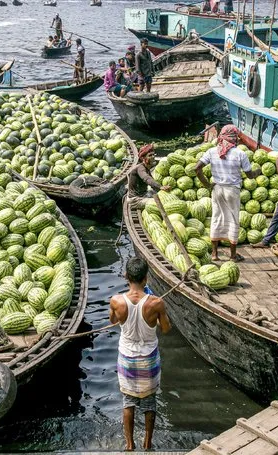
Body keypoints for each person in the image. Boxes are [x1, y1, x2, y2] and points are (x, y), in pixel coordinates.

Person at [110, 256, 171, 451]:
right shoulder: (156, 303)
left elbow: (112, 321)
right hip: (148, 359)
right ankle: (147, 444)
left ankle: (129, 445)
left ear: (126, 276)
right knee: (149, 402)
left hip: (127, 358)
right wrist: (159, 312)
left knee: (128, 402)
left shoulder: (116, 300)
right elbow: (166, 329)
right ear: (146, 278)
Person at [194, 125, 261, 262]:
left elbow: (197, 168)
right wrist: (258, 172)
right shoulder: (240, 154)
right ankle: (233, 255)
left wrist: (207, 184)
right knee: (233, 220)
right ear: (234, 138)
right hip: (232, 190)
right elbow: (249, 175)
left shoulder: (212, 151)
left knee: (217, 218)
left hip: (217, 189)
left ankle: (214, 254)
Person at [127, 144, 171, 210]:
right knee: (159, 203)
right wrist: (160, 187)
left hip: (143, 195)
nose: (153, 157)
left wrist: (163, 190)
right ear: (143, 158)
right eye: (150, 155)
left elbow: (152, 184)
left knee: (161, 196)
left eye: (153, 155)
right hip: (135, 200)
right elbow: (146, 178)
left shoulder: (146, 168)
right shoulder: (140, 168)